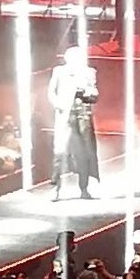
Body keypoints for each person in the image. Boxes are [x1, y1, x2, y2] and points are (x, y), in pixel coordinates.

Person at [49, 44, 100, 200]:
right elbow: (51, 93)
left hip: (82, 117)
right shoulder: (59, 72)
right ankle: (55, 187)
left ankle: (84, 188)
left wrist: (87, 91)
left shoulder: (88, 72)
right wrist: (59, 105)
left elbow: (95, 93)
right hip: (65, 117)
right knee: (60, 153)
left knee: (83, 154)